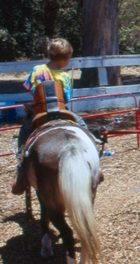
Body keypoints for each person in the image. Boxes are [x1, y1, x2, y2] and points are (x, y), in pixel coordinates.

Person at [13, 38, 87, 194]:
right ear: (67, 59)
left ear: (48, 54)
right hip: (60, 110)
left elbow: (31, 88)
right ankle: (92, 145)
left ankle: (21, 161)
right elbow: (66, 97)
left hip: (40, 111)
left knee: (25, 131)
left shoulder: (38, 70)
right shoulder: (64, 76)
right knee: (81, 124)